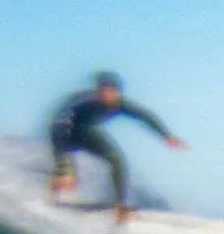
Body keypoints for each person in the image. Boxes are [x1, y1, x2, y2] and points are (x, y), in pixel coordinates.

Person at [47, 71, 187, 219]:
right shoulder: (83, 101)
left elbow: (145, 115)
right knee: (67, 174)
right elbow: (58, 126)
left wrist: (166, 136)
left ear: (117, 92)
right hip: (63, 132)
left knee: (117, 159)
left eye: (110, 91)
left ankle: (119, 207)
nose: (106, 94)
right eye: (102, 90)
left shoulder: (119, 103)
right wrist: (64, 168)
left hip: (85, 133)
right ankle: (54, 192)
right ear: (96, 90)